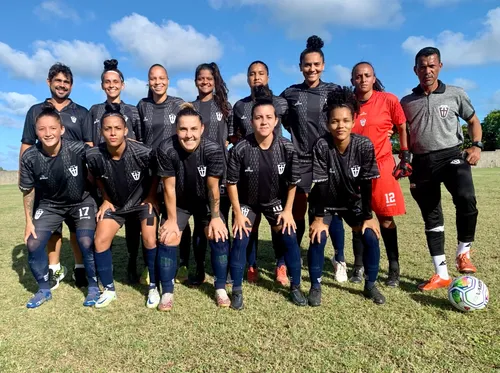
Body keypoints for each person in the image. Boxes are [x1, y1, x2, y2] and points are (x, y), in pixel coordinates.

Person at [400, 47, 482, 291]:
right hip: (422, 162)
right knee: (431, 216)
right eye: (423, 67)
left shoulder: (456, 93)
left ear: (440, 66)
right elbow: (401, 132)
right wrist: (404, 158)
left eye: (432, 65)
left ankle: (463, 253)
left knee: (466, 197)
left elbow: (473, 121)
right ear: (415, 70)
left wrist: (476, 146)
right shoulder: (406, 102)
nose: (428, 70)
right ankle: (441, 273)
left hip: (451, 156)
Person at [308, 87, 386, 306]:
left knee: (370, 236)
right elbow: (321, 185)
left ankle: (370, 285)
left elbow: (366, 182)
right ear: (327, 123)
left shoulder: (364, 145)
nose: (340, 126)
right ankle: (315, 286)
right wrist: (318, 218)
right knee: (318, 236)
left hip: (352, 201)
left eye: (345, 120)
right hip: (325, 201)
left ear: (353, 120)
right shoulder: (322, 145)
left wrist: (369, 216)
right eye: (334, 121)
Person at [226, 98, 307, 310]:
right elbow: (231, 183)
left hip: (274, 202)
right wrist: (237, 212)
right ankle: (236, 290)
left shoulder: (287, 148)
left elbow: (292, 183)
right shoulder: (240, 148)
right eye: (258, 117)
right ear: (251, 122)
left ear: (276, 121)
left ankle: (296, 287)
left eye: (268, 117)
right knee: (240, 238)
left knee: (289, 236)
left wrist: (288, 211)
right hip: (248, 204)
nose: (264, 122)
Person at [19, 103, 99, 308]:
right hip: (50, 204)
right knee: (34, 243)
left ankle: (93, 287)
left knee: (85, 241)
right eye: (42, 129)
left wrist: (105, 199)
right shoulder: (30, 157)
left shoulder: (78, 149)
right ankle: (44, 289)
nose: (48, 133)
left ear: (61, 129)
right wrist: (29, 222)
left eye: (53, 128)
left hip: (81, 200)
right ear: (35, 132)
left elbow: (100, 168)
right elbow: (28, 191)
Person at [19, 63, 91, 290]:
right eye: (58, 81)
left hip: (76, 182)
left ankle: (80, 268)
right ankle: (55, 268)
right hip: (45, 184)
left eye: (66, 82)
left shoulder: (81, 112)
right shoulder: (35, 111)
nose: (62, 85)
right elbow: (26, 146)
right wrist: (26, 175)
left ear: (72, 85)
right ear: (49, 82)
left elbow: (89, 146)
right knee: (52, 231)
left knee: (77, 229)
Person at [280, 36, 346, 282]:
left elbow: (347, 117)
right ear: (300, 66)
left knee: (331, 211)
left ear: (323, 65)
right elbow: (282, 119)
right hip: (299, 160)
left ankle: (339, 259)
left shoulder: (334, 91)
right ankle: (292, 257)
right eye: (307, 65)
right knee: (298, 211)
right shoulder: (290, 93)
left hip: (329, 160)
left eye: (316, 64)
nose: (312, 69)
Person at [156, 103, 230, 311]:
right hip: (179, 203)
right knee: (168, 236)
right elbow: (168, 188)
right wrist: (170, 220)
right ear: (176, 129)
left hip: (205, 203)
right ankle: (167, 291)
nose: (188, 135)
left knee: (219, 234)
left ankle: (220, 287)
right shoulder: (166, 148)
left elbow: (213, 188)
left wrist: (216, 216)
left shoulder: (214, 150)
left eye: (193, 129)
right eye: (183, 129)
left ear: (202, 129)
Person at [86, 103, 159, 308]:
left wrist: (152, 196)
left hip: (141, 203)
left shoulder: (143, 152)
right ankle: (109, 290)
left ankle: (153, 286)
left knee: (149, 237)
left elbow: (156, 174)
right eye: (107, 128)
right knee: (100, 240)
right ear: (101, 131)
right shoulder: (94, 155)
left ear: (125, 130)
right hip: (116, 206)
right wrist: (106, 198)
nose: (112, 133)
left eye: (117, 128)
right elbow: (98, 177)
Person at [346, 61, 409, 287]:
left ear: (374, 78)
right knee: (357, 218)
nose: (362, 80)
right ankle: (359, 266)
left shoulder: (388, 99)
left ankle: (393, 267)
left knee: (385, 218)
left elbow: (402, 126)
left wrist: (405, 155)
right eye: (358, 76)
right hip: (354, 169)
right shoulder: (348, 103)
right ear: (352, 79)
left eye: (367, 75)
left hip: (382, 166)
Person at [231, 61, 290, 285]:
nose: (257, 77)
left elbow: (292, 130)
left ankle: (281, 264)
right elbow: (235, 138)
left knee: (278, 224)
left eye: (261, 73)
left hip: (276, 170)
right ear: (247, 78)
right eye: (252, 74)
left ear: (268, 76)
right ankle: (252, 265)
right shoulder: (239, 106)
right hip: (249, 172)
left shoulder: (281, 103)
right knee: (250, 224)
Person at [85, 59, 143, 284]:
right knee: (101, 223)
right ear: (102, 85)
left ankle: (131, 261)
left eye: (115, 81)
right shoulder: (94, 111)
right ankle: (100, 272)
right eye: (107, 82)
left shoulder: (133, 111)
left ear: (123, 84)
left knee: (132, 223)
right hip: (103, 177)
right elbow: (90, 144)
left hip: (129, 178)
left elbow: (139, 143)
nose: (111, 85)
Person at [184, 62, 232, 286]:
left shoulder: (224, 106)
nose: (205, 82)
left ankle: (223, 267)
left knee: (220, 220)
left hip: (219, 173)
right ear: (195, 81)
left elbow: (230, 139)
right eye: (201, 78)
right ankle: (200, 268)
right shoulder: (190, 107)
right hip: (195, 173)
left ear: (215, 81)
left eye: (209, 79)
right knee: (200, 225)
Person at [136, 64, 184, 286]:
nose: (157, 82)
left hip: (174, 170)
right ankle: (150, 265)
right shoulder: (142, 106)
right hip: (149, 172)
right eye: (153, 78)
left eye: (161, 78)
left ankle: (181, 263)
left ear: (168, 80)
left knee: (176, 216)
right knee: (150, 217)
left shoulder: (178, 103)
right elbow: (137, 139)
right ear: (148, 82)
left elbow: (189, 126)